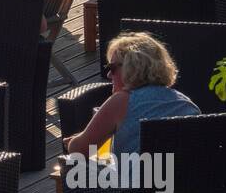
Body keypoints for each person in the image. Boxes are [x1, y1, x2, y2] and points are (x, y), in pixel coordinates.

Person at [62, 33, 199, 157]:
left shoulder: (122, 101)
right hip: (184, 182)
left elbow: (81, 150)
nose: (109, 74)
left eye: (112, 68)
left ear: (131, 68)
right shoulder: (185, 103)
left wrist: (71, 142)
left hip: (138, 182)